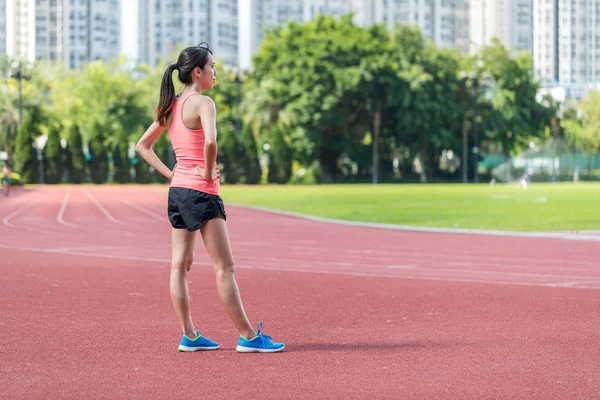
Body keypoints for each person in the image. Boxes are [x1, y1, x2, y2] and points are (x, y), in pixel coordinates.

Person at [135, 43, 284, 353]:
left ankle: (189, 336)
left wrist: (172, 174)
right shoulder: (204, 103)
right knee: (224, 267)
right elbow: (211, 142)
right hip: (202, 193)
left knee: (179, 266)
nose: (217, 72)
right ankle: (248, 337)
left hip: (178, 193)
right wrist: (206, 171)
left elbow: (142, 146)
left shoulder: (171, 106)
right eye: (213, 67)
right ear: (198, 72)